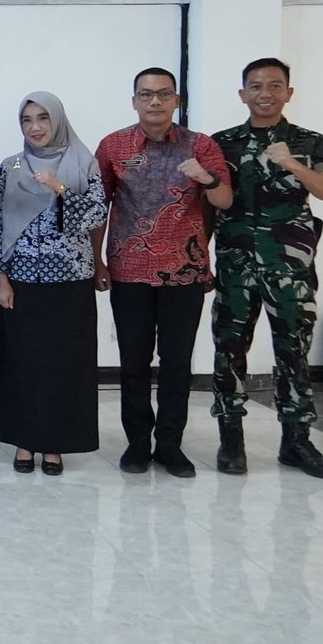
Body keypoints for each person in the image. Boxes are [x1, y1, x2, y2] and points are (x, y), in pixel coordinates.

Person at [92, 67, 232, 478]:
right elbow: (100, 207)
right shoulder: (113, 146)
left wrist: (204, 177)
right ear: (134, 100)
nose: (155, 101)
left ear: (177, 100)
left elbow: (224, 200)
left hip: (184, 273)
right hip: (128, 270)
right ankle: (137, 445)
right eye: (146, 94)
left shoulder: (201, 146)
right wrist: (97, 260)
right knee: (133, 362)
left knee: (176, 363)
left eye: (163, 94)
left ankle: (170, 445)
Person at [210, 57, 323, 480]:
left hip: (290, 269)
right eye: (255, 86)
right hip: (235, 264)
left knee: (293, 351)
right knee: (230, 349)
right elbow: (206, 202)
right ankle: (230, 438)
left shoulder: (311, 141)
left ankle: (296, 441)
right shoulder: (221, 143)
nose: (264, 93)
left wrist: (292, 163)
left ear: (289, 91)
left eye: (274, 85)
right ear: (242, 93)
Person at [0, 92, 107, 475]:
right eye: (27, 120)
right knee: (22, 363)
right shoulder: (10, 166)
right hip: (21, 281)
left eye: (43, 118)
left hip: (70, 281)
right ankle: (23, 439)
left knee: (63, 365)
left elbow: (96, 214)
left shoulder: (83, 162)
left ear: (58, 120)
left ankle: (54, 443)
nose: (35, 127)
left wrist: (59, 188)